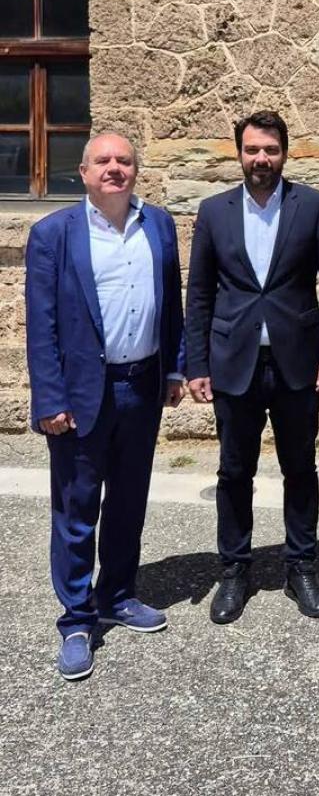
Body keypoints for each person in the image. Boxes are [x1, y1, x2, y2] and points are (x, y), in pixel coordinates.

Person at [25, 133, 184, 681]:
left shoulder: (158, 224)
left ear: (136, 169)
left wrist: (175, 368)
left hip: (141, 386)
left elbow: (171, 304)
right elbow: (41, 325)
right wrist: (49, 399)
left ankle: (117, 594)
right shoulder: (53, 234)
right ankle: (76, 618)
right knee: (76, 508)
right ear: (84, 172)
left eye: (124, 160)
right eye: (103, 161)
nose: (114, 168)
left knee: (128, 501)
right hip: (80, 395)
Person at [185, 110, 319, 625]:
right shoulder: (214, 211)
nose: (262, 159)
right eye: (253, 149)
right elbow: (200, 293)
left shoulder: (313, 206)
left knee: (300, 468)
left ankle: (301, 566)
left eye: (271, 150)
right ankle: (235, 569)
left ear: (284, 154)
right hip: (234, 362)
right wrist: (196, 363)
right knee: (235, 471)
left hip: (297, 361)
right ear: (239, 153)